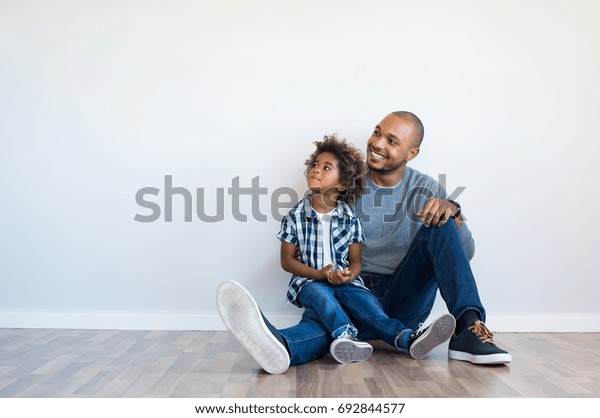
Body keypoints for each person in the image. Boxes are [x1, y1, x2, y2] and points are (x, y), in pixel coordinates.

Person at [217, 111, 512, 375]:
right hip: (347, 289)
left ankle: (469, 330)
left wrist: (454, 211)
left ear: (411, 153)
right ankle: (281, 345)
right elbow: (308, 233)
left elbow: (464, 254)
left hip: (401, 298)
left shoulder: (426, 189)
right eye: (377, 132)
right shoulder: (344, 182)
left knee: (443, 220)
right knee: (331, 323)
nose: (378, 143)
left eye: (392, 141)